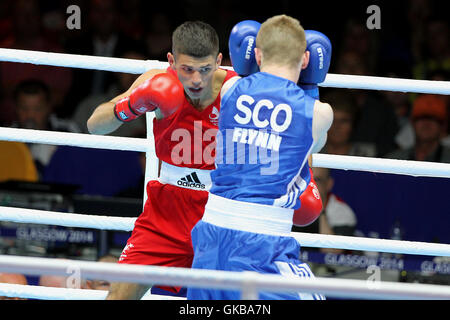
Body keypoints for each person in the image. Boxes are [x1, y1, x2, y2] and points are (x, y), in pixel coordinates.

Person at [87, 20, 237, 300]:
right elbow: (94, 125)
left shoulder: (237, 90)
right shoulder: (155, 80)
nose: (196, 80)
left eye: (205, 69)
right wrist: (131, 105)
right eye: (187, 69)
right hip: (164, 215)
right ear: (171, 60)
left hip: (220, 214)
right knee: (118, 297)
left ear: (219, 61)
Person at [187, 15, 333, 300]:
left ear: (256, 54)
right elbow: (312, 148)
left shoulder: (228, 89)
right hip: (263, 241)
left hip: (210, 232)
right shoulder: (319, 112)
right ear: (305, 60)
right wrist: (310, 86)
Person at [11, 79, 80, 178]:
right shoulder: (6, 136)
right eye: (24, 108)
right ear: (16, 108)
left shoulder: (68, 131)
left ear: (49, 107)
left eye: (37, 109)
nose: (30, 115)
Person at [292, 167, 357, 255]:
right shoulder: (288, 202)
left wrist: (319, 209)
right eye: (306, 178)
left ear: (328, 184)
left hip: (329, 267)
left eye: (317, 180)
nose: (310, 184)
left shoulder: (341, 212)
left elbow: (332, 252)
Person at [385, 94, 450, 162]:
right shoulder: (394, 161)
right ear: (412, 123)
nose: (426, 123)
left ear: (443, 126)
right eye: (421, 118)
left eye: (433, 119)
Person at [320, 90, 377, 157]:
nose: (337, 126)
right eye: (332, 120)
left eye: (344, 121)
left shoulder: (368, 154)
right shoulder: (311, 154)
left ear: (354, 123)